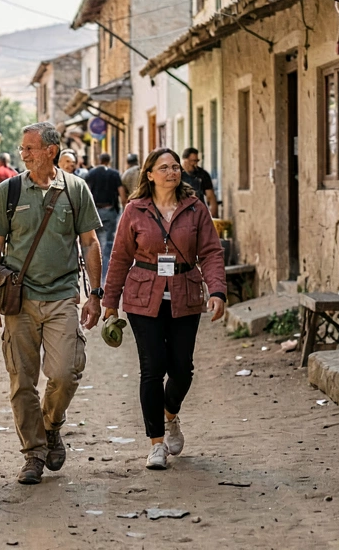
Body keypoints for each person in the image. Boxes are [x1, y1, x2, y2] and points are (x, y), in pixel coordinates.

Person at [0, 123, 103, 485]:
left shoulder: (75, 189)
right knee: (22, 381)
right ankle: (33, 453)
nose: (24, 154)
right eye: (22, 148)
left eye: (30, 148)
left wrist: (95, 294)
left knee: (65, 373)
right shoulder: (9, 191)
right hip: (19, 300)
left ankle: (51, 424)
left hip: (62, 295)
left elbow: (90, 242)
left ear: (51, 151)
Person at [102, 148, 226, 471]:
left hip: (185, 295)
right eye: (164, 167)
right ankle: (156, 444)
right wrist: (110, 303)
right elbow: (119, 258)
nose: (172, 172)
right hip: (144, 298)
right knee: (152, 368)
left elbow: (211, 252)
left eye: (175, 167)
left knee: (182, 370)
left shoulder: (195, 208)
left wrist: (217, 291)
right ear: (150, 175)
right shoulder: (135, 210)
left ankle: (171, 416)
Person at [83, 152, 122, 280]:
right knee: (108, 243)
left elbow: (86, 192)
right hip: (109, 210)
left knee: (95, 241)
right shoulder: (114, 174)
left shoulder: (91, 174)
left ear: (99, 160)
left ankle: (95, 273)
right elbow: (122, 193)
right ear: (109, 161)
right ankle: (105, 273)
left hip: (94, 211)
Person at [180, 148, 219, 218]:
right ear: (185, 161)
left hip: (198, 213)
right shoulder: (177, 175)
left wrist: (214, 216)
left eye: (197, 161)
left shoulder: (202, 174)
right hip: (181, 212)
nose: (195, 164)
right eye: (193, 161)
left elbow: (210, 197)